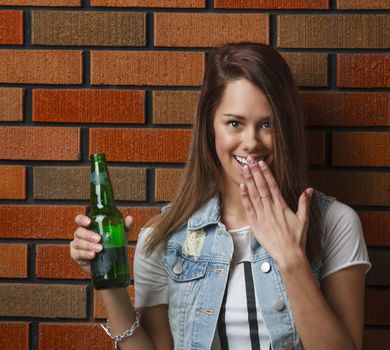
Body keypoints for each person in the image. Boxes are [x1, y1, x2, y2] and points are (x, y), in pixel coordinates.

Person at [70, 42, 371, 350]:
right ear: (210, 128)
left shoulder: (335, 223)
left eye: (267, 124)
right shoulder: (164, 237)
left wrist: (292, 259)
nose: (251, 142)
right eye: (234, 123)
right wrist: (108, 281)